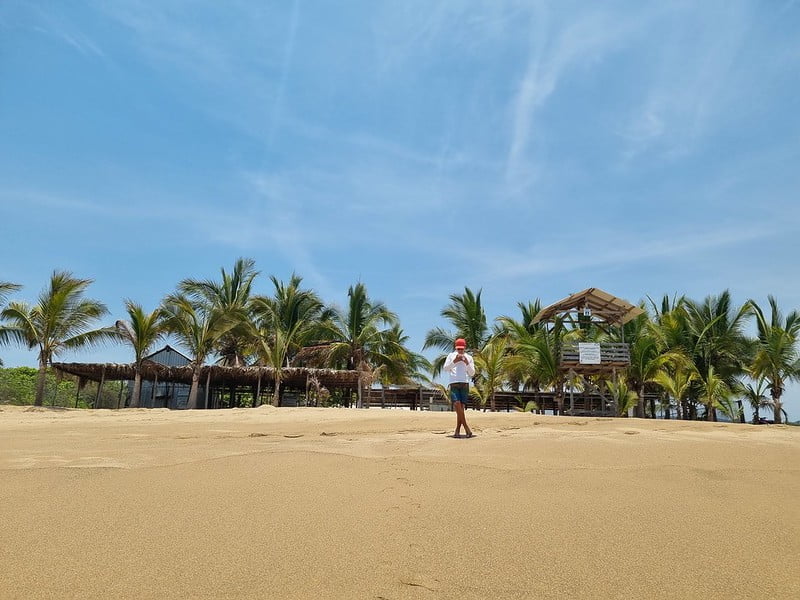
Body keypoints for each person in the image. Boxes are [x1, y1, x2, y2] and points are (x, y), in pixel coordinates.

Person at [443, 338, 474, 438]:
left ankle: (457, 431)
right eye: (458, 349)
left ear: (465, 348)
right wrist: (455, 361)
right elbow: (445, 368)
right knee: (456, 404)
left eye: (462, 349)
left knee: (461, 409)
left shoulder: (469, 357)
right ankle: (467, 428)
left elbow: (472, 373)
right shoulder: (451, 356)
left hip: (464, 383)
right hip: (454, 383)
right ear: (456, 348)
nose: (460, 351)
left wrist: (466, 363)